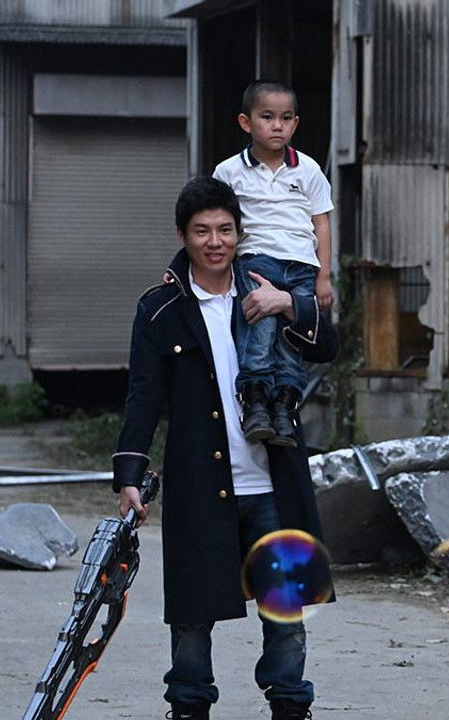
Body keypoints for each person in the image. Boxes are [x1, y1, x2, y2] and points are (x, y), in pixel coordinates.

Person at [113, 177, 337, 720]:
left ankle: (290, 704)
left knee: (285, 608)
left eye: (225, 230)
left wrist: (291, 304)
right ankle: (189, 705)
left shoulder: (265, 288)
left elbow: (327, 346)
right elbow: (143, 396)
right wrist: (128, 476)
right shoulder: (161, 309)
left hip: (272, 480)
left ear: (240, 232)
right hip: (200, 482)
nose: (215, 242)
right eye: (202, 231)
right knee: (193, 609)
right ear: (182, 235)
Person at [212, 79, 334, 448]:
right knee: (259, 332)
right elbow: (216, 223)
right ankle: (255, 404)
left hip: (301, 267)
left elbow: (321, 223)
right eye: (267, 117)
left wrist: (324, 277)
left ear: (295, 123)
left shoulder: (308, 169)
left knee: (291, 340)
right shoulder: (228, 172)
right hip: (256, 260)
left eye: (285, 118)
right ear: (246, 122)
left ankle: (284, 407)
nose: (277, 126)